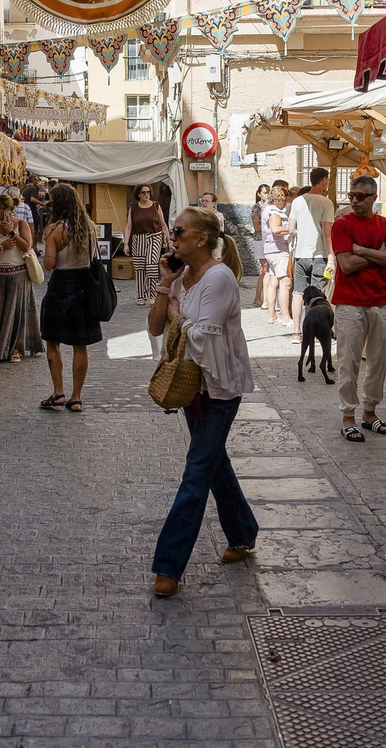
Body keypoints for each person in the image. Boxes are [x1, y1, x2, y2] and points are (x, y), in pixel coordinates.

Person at [147, 208, 257, 598]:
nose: (171, 236)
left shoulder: (219, 277)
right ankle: (243, 532)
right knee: (213, 464)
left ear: (202, 239)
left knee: (196, 474)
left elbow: (202, 337)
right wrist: (165, 286)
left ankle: (168, 566)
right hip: (194, 388)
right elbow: (156, 327)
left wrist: (178, 315)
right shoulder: (183, 278)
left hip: (220, 389)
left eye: (178, 230)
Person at [330, 175, 386, 442]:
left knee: (379, 360)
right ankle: (348, 415)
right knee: (348, 361)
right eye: (352, 195)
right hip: (349, 301)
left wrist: (361, 250)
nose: (355, 200)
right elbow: (346, 265)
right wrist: (377, 253)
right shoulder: (341, 225)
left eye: (361, 196)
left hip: (382, 300)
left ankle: (370, 411)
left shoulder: (385, 224)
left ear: (373, 198)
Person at [39, 183, 102, 412]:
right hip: (84, 286)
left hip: (60, 288)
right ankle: (76, 398)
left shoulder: (54, 230)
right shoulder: (89, 227)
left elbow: (49, 265)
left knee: (52, 341)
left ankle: (58, 392)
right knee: (80, 345)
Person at [0, 195, 42, 363]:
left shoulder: (21, 224)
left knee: (17, 314)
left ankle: (16, 348)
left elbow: (27, 246)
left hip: (18, 275)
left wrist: (12, 232)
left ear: (7, 211)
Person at [287, 168, 335, 341]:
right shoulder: (326, 203)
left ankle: (296, 332)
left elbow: (291, 230)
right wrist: (331, 256)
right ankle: (314, 333)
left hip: (300, 254)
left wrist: (304, 231)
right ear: (324, 181)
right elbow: (327, 232)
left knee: (298, 293)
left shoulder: (298, 201)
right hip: (319, 254)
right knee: (317, 295)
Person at [124, 184, 166, 306]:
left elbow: (163, 224)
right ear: (138, 194)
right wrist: (126, 244)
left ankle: (152, 295)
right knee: (140, 268)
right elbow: (128, 226)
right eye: (143, 192)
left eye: (148, 192)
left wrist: (168, 238)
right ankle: (141, 295)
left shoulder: (156, 206)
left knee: (152, 265)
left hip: (154, 237)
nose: (146, 194)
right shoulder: (133, 208)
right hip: (138, 238)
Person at [263, 185, 293, 326]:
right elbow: (276, 229)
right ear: (279, 199)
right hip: (279, 251)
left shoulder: (268, 210)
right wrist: (292, 230)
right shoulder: (274, 212)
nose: (286, 203)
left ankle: (272, 315)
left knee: (273, 283)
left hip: (270, 250)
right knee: (285, 283)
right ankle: (285, 316)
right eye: (284, 199)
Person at [250, 183, 270, 308]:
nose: (267, 195)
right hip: (260, 240)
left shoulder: (270, 206)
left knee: (267, 270)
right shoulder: (257, 208)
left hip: (269, 239)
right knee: (265, 269)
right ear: (259, 194)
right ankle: (258, 296)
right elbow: (256, 227)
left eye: (268, 192)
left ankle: (263, 297)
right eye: (265, 192)